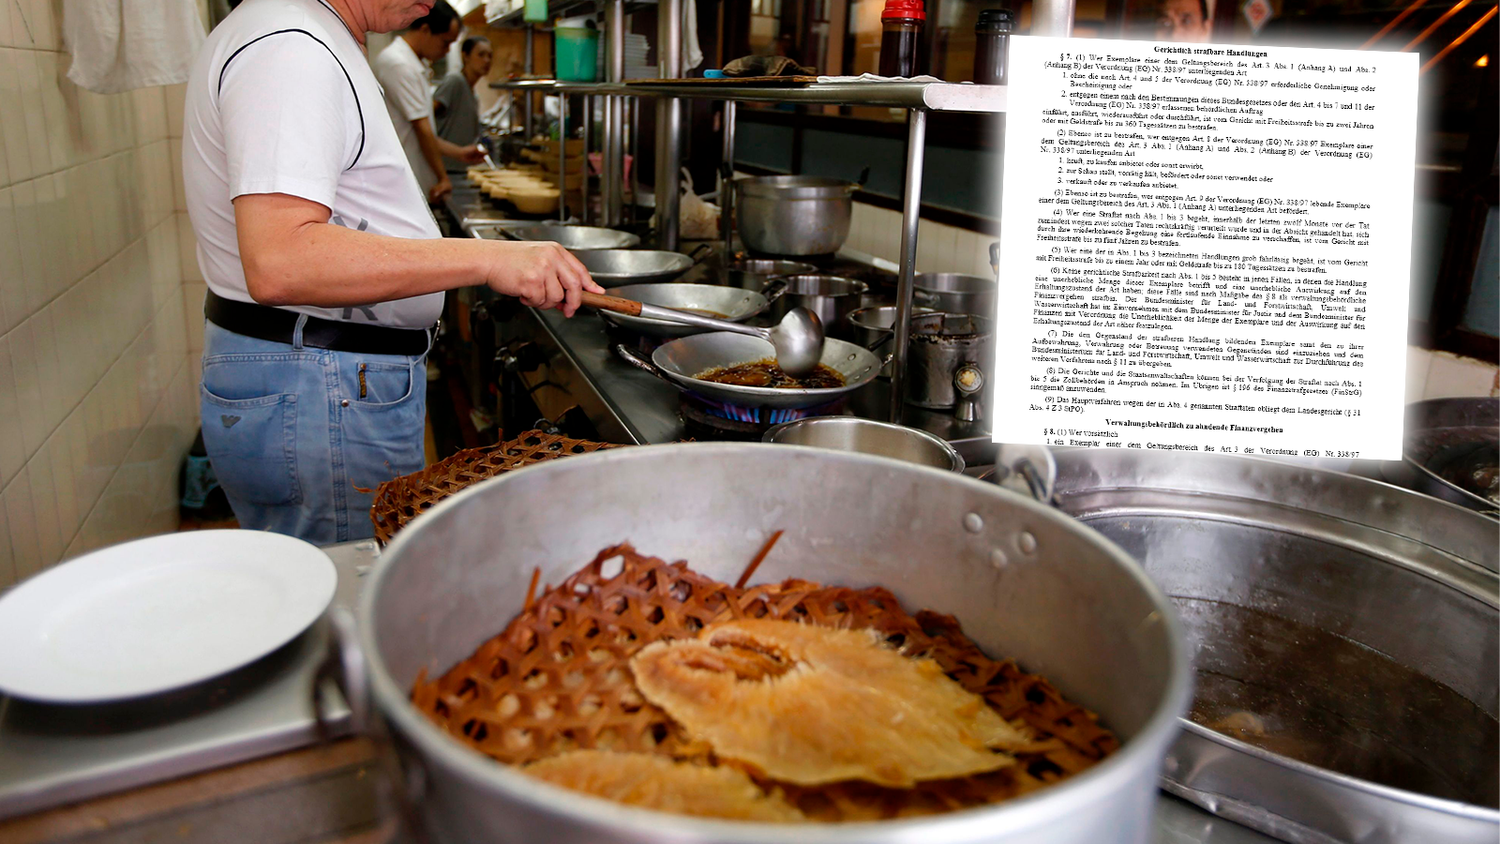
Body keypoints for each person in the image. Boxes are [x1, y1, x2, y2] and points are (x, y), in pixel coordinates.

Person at [181, 0, 603, 544]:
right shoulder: (291, 44)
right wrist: (488, 257)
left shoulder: (307, 35)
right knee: (349, 599)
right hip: (319, 384)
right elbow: (282, 260)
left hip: (319, 377)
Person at [373, 1, 480, 202]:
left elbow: (422, 130)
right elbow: (421, 129)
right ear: (425, 29)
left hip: (411, 178)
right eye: (445, 42)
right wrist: (443, 177)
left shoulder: (412, 64)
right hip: (402, 181)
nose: (447, 51)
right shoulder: (398, 64)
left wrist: (459, 153)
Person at [434, 35, 492, 174]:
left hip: (459, 168)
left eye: (490, 56)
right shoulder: (455, 82)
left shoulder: (473, 93)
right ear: (465, 56)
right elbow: (427, 116)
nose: (487, 60)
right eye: (481, 55)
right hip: (445, 169)